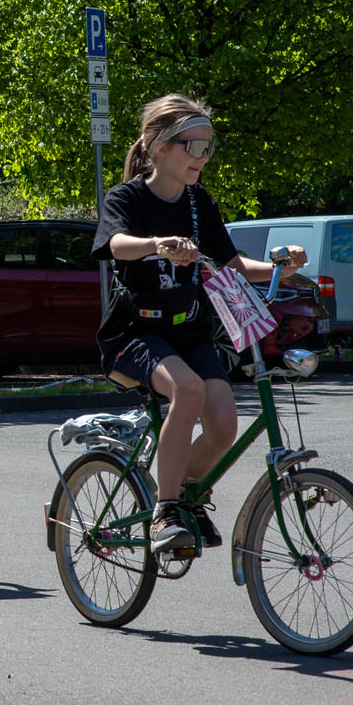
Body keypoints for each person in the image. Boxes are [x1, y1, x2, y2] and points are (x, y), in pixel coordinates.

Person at [92, 93, 308, 552]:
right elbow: (116, 245)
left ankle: (185, 495)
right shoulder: (126, 197)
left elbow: (231, 265)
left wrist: (279, 268)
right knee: (187, 391)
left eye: (208, 148)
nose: (202, 158)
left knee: (225, 424)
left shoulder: (199, 203)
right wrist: (156, 244)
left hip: (189, 331)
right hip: (135, 334)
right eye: (194, 147)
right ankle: (165, 510)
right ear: (160, 147)